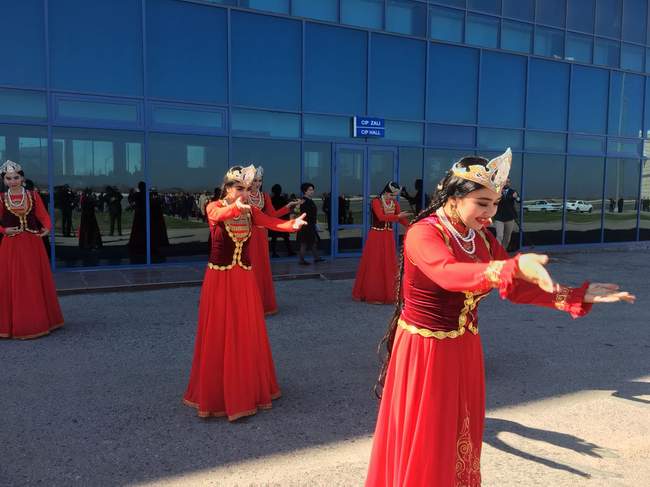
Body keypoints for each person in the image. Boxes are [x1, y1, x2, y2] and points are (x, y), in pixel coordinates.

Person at [365, 149, 635, 487]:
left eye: (494, 203)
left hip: (465, 346)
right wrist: (511, 266)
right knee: (431, 434)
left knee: (461, 430)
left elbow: (517, 286)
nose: (490, 213)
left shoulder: (480, 237)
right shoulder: (424, 233)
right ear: (453, 198)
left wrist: (576, 295)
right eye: (482, 203)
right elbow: (447, 272)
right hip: (426, 350)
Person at [183, 165, 307, 421]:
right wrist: (236, 207)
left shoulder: (251, 211)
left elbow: (270, 222)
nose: (244, 193)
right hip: (219, 279)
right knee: (219, 331)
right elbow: (219, 214)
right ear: (227, 188)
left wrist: (291, 225)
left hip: (244, 278)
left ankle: (246, 385)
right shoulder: (213, 206)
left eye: (248, 189)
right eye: (239, 188)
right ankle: (218, 394)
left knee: (246, 330)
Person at [0, 160, 64, 339]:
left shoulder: (33, 195)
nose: (13, 181)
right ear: (4, 180)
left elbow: (43, 215)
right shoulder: (1, 198)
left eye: (16, 177)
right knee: (11, 282)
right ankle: (12, 324)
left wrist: (47, 227)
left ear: (22, 178)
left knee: (32, 280)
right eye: (8, 178)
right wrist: (3, 230)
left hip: (32, 244)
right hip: (11, 245)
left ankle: (38, 321)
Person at [247, 167, 300, 315]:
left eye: (259, 181)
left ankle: (262, 303)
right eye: (254, 181)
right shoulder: (243, 196)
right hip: (246, 235)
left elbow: (272, 215)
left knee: (262, 266)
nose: (257, 183)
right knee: (249, 266)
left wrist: (287, 207)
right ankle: (248, 304)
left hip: (261, 234)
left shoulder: (264, 196)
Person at [352, 181, 410, 304]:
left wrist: (411, 226)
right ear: (386, 192)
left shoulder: (394, 203)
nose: (393, 198)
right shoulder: (376, 202)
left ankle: (389, 294)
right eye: (391, 195)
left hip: (388, 236)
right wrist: (398, 217)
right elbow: (381, 217)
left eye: (394, 196)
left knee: (388, 263)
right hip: (376, 236)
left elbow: (401, 218)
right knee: (375, 263)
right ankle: (374, 294)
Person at [297, 182, 323, 265]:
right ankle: (302, 260)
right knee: (305, 243)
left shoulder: (308, 200)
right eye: (310, 190)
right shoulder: (304, 201)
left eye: (312, 190)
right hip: (306, 225)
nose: (312, 191)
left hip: (309, 225)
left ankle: (316, 258)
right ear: (305, 191)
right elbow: (305, 214)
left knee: (312, 242)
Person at [269, 183, 296, 258]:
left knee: (274, 238)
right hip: (282, 221)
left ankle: (274, 252)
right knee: (285, 237)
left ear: (273, 191)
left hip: (274, 221)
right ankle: (289, 251)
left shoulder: (271, 200)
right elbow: (287, 209)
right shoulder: (283, 199)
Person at [493, 177, 520, 251]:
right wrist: (511, 197)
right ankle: (497, 251)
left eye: (508, 182)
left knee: (507, 237)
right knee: (500, 236)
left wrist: (516, 197)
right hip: (499, 217)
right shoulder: (497, 191)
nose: (507, 183)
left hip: (510, 217)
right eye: (505, 182)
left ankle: (503, 251)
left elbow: (519, 200)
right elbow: (500, 200)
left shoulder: (513, 191)